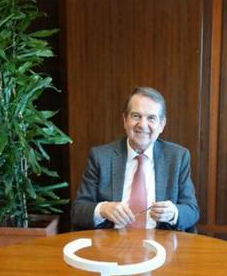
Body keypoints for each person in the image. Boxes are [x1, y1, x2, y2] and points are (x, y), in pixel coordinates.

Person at [70, 87, 199, 232]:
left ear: (162, 125)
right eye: (136, 116)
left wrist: (173, 213)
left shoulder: (178, 157)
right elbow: (78, 210)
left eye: (151, 118)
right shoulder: (100, 157)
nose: (143, 125)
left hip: (162, 245)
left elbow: (192, 211)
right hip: (111, 244)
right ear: (125, 120)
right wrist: (102, 209)